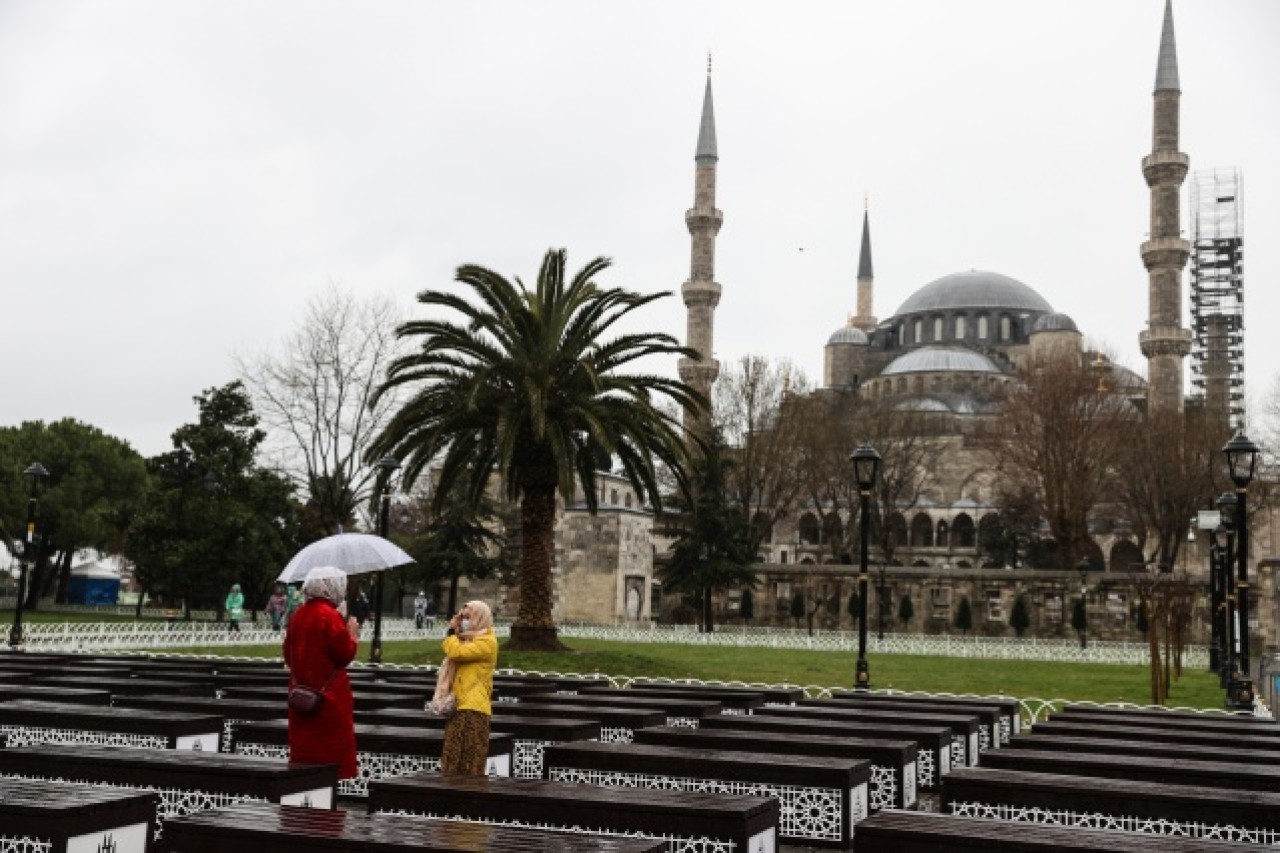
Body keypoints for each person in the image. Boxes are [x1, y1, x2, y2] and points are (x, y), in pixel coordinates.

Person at [284, 565, 359, 780]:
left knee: (305, 759)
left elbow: (288, 655)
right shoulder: (329, 615)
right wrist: (352, 635)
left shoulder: (298, 615)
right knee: (329, 761)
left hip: (301, 696)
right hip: (329, 700)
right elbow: (344, 654)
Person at [433, 600, 498, 775]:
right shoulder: (466, 640)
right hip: (459, 705)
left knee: (470, 761)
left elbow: (457, 653)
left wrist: (452, 633)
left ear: (480, 618)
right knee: (452, 759)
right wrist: (456, 633)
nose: (463, 621)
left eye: (468, 617)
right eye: (462, 617)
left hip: (473, 708)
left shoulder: (487, 642)